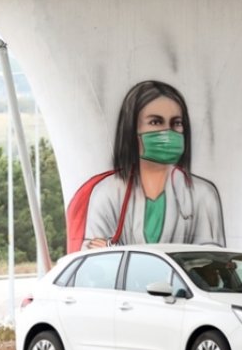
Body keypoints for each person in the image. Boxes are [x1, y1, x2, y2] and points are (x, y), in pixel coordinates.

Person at [82, 81, 224, 249]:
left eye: (176, 123)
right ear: (131, 129)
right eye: (156, 122)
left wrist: (114, 250)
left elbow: (211, 260)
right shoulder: (106, 194)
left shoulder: (203, 194)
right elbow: (94, 259)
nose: (168, 132)